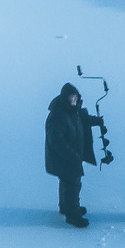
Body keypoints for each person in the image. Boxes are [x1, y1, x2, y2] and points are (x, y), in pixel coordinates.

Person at [44, 82, 107, 227]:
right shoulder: (58, 115)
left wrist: (96, 121)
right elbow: (56, 140)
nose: (74, 100)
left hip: (72, 156)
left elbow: (83, 120)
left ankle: (66, 207)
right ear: (64, 98)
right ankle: (73, 215)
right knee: (72, 184)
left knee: (66, 182)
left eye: (76, 97)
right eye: (71, 97)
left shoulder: (73, 111)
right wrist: (71, 155)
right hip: (64, 158)